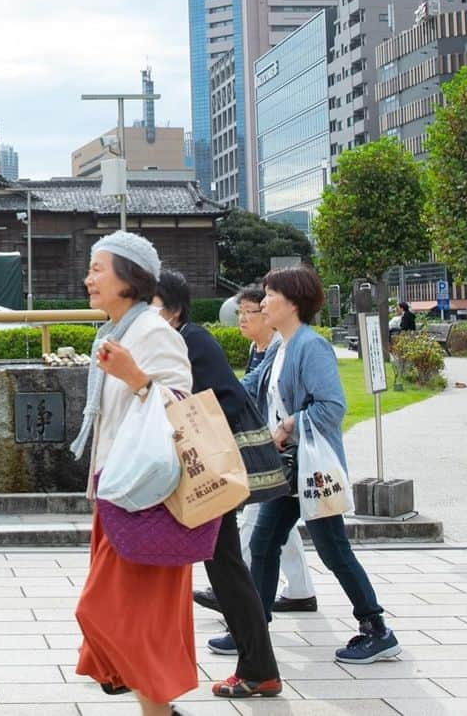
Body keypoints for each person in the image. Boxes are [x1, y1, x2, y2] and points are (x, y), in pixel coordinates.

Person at [244, 265, 403, 664]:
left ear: (292, 300)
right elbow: (249, 388)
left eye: (269, 295)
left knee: (332, 550)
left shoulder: (309, 347)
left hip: (310, 468)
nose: (263, 303)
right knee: (263, 544)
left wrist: (287, 425)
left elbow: (332, 407)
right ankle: (252, 630)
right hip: (288, 467)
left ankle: (376, 629)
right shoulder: (281, 346)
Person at [71, 232, 196, 716]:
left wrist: (137, 379)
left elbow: (183, 407)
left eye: (98, 268)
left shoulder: (153, 333)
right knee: (137, 617)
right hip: (118, 492)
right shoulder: (115, 332)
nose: (88, 279)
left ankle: (147, 696)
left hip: (148, 499)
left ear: (130, 277)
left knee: (113, 611)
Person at [152, 272, 281, 699]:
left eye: (149, 305)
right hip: (210, 463)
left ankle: (258, 667)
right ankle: (257, 665)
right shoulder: (185, 337)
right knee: (223, 563)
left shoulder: (188, 341)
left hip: (215, 464)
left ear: (171, 309)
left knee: (225, 564)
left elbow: (211, 402)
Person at [194, 285, 318, 617]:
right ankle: (301, 591)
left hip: (275, 448)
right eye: (241, 312)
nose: (244, 319)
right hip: (266, 445)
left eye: (252, 311)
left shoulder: (283, 349)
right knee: (275, 527)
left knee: (255, 525)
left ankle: (236, 600)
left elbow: (248, 391)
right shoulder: (258, 348)